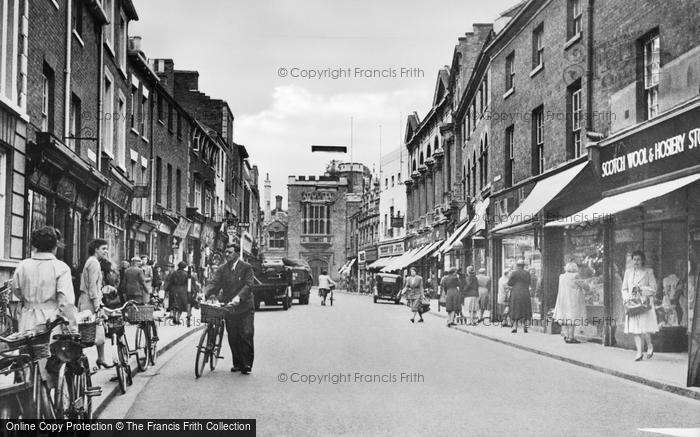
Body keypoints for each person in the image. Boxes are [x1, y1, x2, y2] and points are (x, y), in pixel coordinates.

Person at [12, 227, 77, 334]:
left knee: (27, 349)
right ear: (55, 246)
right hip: (51, 321)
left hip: (27, 319)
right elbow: (66, 302)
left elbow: (16, 289)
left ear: (35, 245)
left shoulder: (23, 265)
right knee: (48, 350)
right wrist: (72, 327)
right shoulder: (61, 268)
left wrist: (29, 300)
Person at [203, 244, 255, 375]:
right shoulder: (222, 269)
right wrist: (205, 294)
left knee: (246, 333)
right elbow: (214, 283)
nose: (227, 254)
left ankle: (247, 363)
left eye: (230, 252)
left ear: (237, 253)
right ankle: (237, 363)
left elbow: (248, 285)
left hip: (245, 307)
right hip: (229, 308)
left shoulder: (246, 268)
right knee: (233, 336)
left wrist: (238, 298)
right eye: (226, 252)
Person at [78, 239, 112, 369]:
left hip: (91, 299)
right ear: (96, 249)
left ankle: (101, 358)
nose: (106, 251)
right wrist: (97, 304)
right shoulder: (93, 263)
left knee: (98, 329)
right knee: (86, 332)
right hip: (89, 301)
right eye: (103, 248)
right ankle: (83, 361)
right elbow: (92, 285)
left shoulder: (94, 262)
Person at [621, 250, 658, 361]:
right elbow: (624, 288)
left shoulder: (648, 272)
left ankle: (650, 345)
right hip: (632, 304)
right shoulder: (628, 272)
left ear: (642, 261)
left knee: (644, 328)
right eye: (634, 259)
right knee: (635, 329)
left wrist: (641, 290)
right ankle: (639, 352)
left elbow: (654, 289)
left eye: (638, 259)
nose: (636, 262)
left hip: (643, 304)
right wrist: (626, 299)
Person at [553, 263, 588, 343]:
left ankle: (567, 335)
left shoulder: (561, 276)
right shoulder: (575, 276)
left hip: (563, 300)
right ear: (575, 268)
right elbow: (585, 286)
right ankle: (571, 337)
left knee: (566, 318)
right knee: (572, 318)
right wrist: (589, 287)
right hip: (572, 299)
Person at [508, 260, 532, 333]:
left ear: (517, 265)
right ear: (523, 266)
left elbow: (509, 283)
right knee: (525, 309)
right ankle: (525, 327)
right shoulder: (527, 273)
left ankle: (515, 327)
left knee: (515, 309)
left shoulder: (514, 273)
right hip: (525, 292)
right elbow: (529, 282)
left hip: (516, 293)